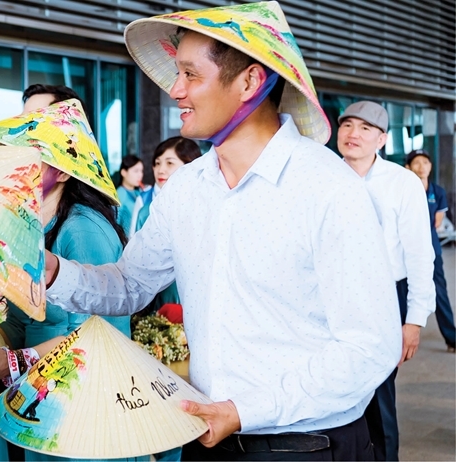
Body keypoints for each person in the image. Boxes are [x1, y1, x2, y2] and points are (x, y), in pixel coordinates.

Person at [42, 3, 401, 460]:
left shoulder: (329, 189)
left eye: (191, 74)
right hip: (208, 435)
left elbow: (370, 345)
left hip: (306, 446)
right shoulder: (186, 188)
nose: (175, 90)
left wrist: (245, 409)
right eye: (176, 73)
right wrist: (53, 271)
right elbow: (131, 283)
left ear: (249, 81)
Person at [0, 86, 142, 461]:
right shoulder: (26, 226)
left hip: (81, 406)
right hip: (38, 398)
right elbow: (19, 320)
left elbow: (96, 338)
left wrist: (12, 361)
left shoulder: (82, 230)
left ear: (64, 167)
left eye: (34, 147)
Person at [337, 101, 435, 461]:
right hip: (332, 296)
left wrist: (413, 320)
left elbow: (421, 254)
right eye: (347, 125)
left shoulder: (402, 183)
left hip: (385, 296)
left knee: (379, 397)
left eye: (365, 128)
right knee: (334, 394)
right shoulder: (324, 176)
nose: (353, 134)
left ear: (381, 139)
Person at [406, 149, 456, 352]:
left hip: (430, 250)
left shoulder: (438, 192)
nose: (421, 167)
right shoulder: (403, 190)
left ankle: (451, 337)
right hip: (404, 250)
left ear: (430, 166)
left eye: (425, 162)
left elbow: (436, 223)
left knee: (439, 292)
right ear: (408, 167)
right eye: (416, 163)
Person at [131, 137, 201, 235]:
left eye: (170, 163)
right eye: (157, 163)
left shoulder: (203, 204)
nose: (160, 170)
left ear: (190, 166)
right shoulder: (144, 205)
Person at [116, 154, 145, 237]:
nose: (140, 175)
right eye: (136, 171)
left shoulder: (139, 192)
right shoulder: (119, 196)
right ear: (124, 172)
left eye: (141, 171)